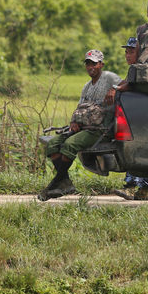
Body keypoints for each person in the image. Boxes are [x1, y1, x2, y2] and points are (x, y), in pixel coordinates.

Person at [38, 49, 121, 201]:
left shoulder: (109, 77)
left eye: (94, 64)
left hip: (100, 129)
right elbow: (79, 107)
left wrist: (115, 90)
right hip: (84, 127)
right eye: (88, 63)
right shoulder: (86, 86)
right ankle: (65, 182)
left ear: (101, 64)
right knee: (53, 144)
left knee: (70, 145)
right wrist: (73, 122)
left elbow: (123, 85)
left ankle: (56, 183)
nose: (91, 67)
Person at [114, 36, 148, 201]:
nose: (128, 55)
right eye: (126, 52)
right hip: (143, 116)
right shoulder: (136, 69)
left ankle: (131, 186)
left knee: (134, 149)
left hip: (141, 117)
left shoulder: (141, 69)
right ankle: (144, 189)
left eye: (131, 52)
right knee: (141, 150)